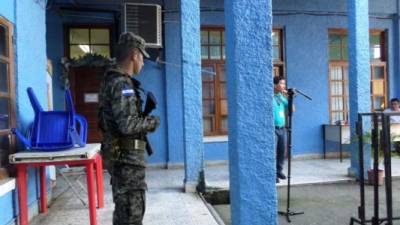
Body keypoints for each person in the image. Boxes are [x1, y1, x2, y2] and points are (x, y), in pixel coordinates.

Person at [98, 32, 160, 225]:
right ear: (134, 55)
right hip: (127, 161)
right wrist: (152, 122)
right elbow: (127, 125)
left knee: (125, 213)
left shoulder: (114, 80)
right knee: (131, 215)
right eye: (142, 56)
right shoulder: (121, 83)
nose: (143, 62)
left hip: (123, 159)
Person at [273, 76, 289, 183]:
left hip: (282, 129)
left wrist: (289, 98)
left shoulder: (281, 96)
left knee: (282, 151)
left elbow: (292, 109)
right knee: (272, 153)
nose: (283, 86)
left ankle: (279, 171)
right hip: (272, 129)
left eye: (284, 84)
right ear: (275, 85)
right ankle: (272, 173)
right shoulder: (269, 96)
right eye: (281, 83)